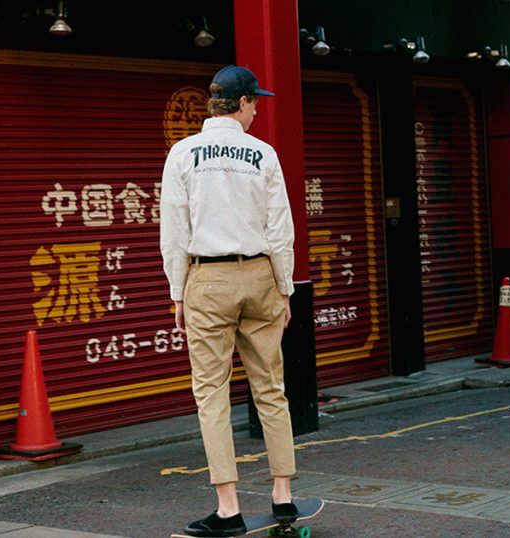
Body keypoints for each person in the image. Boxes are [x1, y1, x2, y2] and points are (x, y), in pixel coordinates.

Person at [160, 65, 298, 537]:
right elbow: (280, 227)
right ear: (241, 104)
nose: (256, 110)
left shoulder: (182, 153)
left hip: (207, 279)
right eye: (255, 102)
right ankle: (283, 495)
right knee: (271, 389)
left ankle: (228, 508)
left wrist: (178, 293)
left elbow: (173, 231)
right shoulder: (263, 154)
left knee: (211, 394)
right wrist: (284, 287)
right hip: (259, 275)